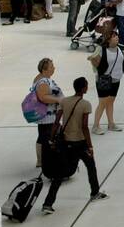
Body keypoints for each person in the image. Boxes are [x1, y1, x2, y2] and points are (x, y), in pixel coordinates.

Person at [41, 77, 106, 214]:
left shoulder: (64, 101)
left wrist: (52, 139)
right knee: (90, 167)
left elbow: (56, 122)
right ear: (83, 88)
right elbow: (84, 126)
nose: (87, 88)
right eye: (86, 86)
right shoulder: (85, 104)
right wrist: (90, 146)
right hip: (80, 143)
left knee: (59, 174)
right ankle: (94, 193)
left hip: (65, 142)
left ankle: (48, 204)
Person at [89, 29, 124, 134]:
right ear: (108, 40)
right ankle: (95, 126)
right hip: (104, 80)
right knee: (103, 103)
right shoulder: (101, 49)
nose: (117, 38)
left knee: (111, 102)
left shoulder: (118, 49)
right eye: (114, 36)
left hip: (116, 79)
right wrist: (93, 60)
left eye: (117, 36)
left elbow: (117, 58)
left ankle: (111, 123)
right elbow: (95, 61)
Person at [29, 58, 63, 170]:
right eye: (51, 66)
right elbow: (43, 97)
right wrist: (58, 100)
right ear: (45, 69)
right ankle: (44, 160)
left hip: (46, 116)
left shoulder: (41, 78)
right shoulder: (43, 82)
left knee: (42, 136)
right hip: (47, 116)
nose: (54, 68)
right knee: (47, 137)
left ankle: (40, 160)